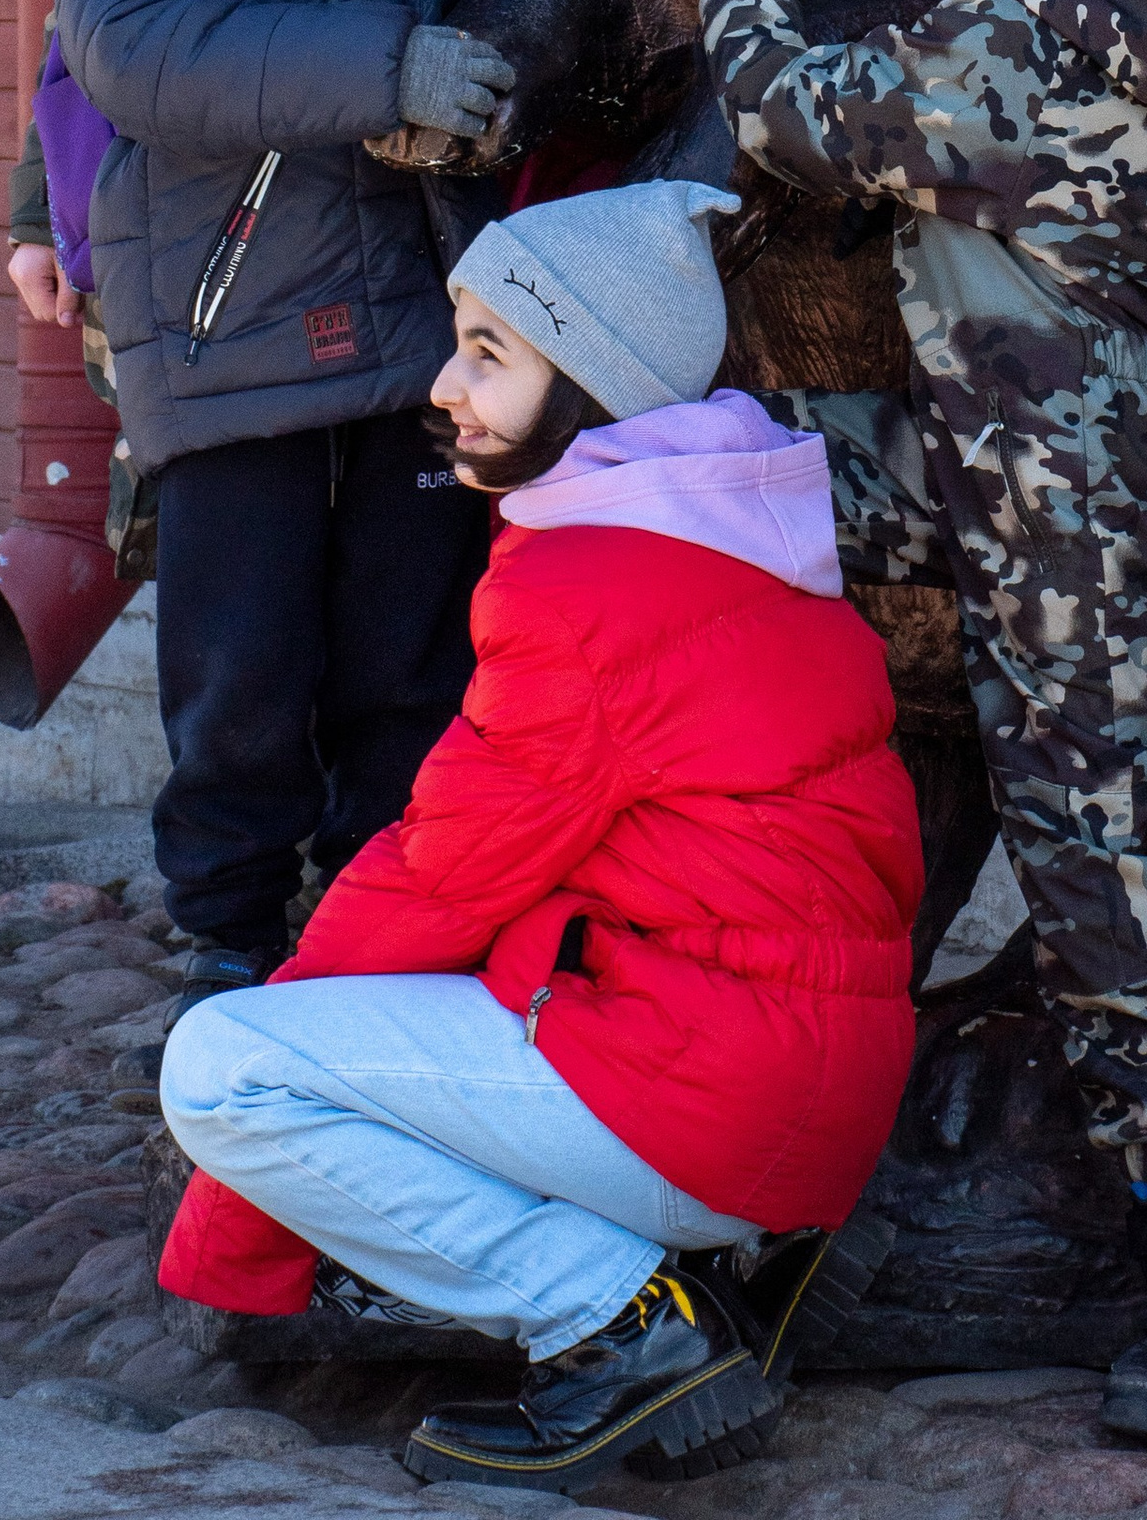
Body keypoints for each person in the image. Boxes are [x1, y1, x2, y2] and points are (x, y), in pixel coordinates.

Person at [699, 0, 1147, 1447]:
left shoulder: (1051, 33)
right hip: (984, 459)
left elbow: (811, 121)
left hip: (1069, 519)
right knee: (703, 483)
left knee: (1094, 856)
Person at [155, 177, 923, 1493]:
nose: (447, 387)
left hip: (721, 1093)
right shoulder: (740, 544)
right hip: (809, 1088)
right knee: (479, 977)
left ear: (594, 385)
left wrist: (235, 1210)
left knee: (226, 1071)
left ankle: (623, 1324)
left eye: (491, 354)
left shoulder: (587, 589)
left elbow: (431, 876)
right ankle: (722, 1268)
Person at [53, 0, 523, 1006]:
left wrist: (486, 23)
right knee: (243, 682)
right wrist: (391, 66)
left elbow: (416, 35)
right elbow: (137, 51)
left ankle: (376, 936)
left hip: (403, 334)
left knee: (406, 667)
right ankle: (227, 943)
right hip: (228, 334)